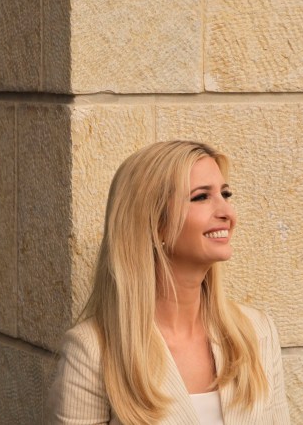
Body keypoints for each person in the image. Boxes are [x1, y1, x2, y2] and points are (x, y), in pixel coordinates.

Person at [49, 140, 290, 424]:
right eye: (201, 197)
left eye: (226, 194)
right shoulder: (93, 351)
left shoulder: (256, 333)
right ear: (154, 223)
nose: (227, 212)